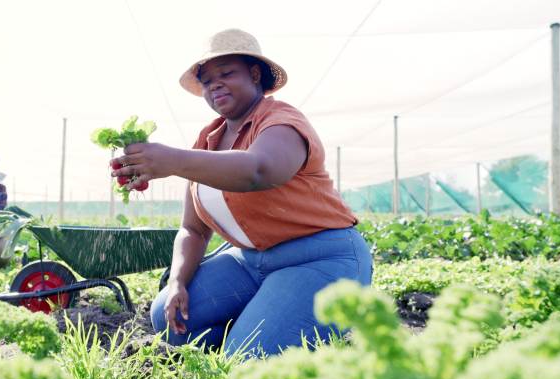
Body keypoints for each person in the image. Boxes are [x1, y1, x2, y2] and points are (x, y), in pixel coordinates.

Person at [111, 29, 372, 357]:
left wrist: (173, 159)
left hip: (320, 258)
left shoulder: (281, 121)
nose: (214, 84)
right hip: (252, 261)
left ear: (254, 74)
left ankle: (293, 336)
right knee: (168, 316)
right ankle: (269, 323)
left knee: (246, 358)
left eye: (226, 73)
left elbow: (258, 170)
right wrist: (177, 281)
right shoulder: (208, 140)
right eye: (207, 81)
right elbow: (192, 229)